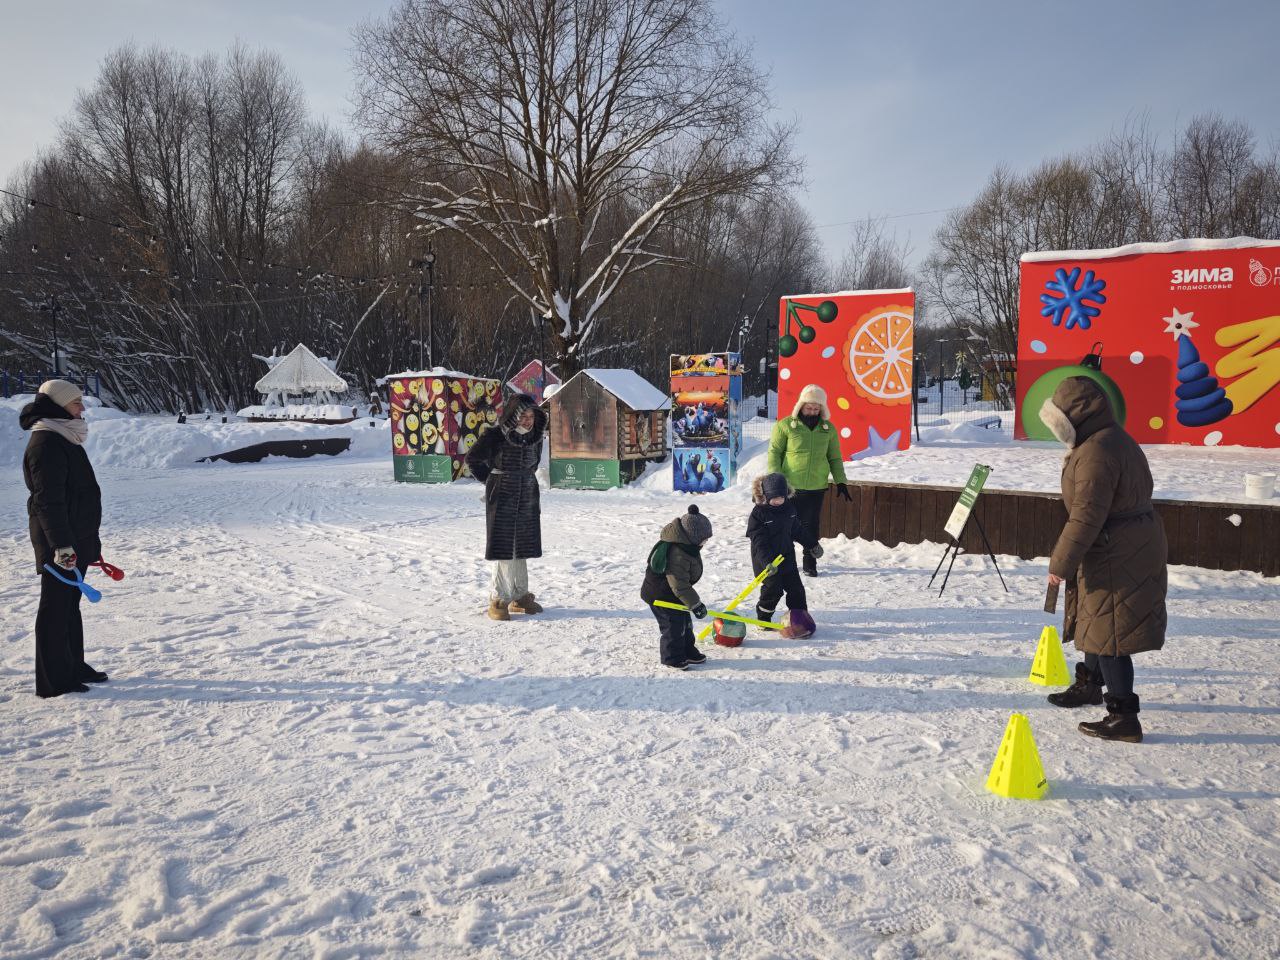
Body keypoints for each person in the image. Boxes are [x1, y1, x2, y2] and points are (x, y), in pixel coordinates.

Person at [1040, 377, 1168, 743]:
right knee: (1096, 620)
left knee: (1111, 634)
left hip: (1117, 549)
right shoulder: (1109, 438)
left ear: (1075, 417)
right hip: (1122, 542)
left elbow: (1086, 515)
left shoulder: (1097, 450)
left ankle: (1123, 717)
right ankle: (1090, 685)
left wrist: (1059, 564)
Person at [21, 379, 107, 698]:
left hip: (75, 538)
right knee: (55, 607)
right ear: (57, 406)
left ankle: (72, 665)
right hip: (60, 543)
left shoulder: (63, 436)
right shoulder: (47, 443)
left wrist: (86, 543)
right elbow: (48, 502)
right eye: (75, 403)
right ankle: (54, 678)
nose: (82, 408)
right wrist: (62, 546)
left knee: (70, 604)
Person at [466, 394, 547, 621]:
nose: (528, 420)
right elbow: (472, 460)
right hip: (502, 495)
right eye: (524, 415)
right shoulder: (495, 436)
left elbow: (534, 464)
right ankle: (499, 598)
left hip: (528, 495)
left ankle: (520, 596)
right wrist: (491, 482)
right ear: (513, 415)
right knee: (505, 548)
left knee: (523, 546)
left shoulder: (536, 437)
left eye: (531, 416)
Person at [767, 384, 851, 576]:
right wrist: (777, 483)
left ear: (822, 408)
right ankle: (784, 562)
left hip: (816, 487)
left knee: (811, 526)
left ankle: (809, 562)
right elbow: (774, 454)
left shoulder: (828, 429)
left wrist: (841, 481)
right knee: (785, 527)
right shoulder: (786, 425)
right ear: (801, 405)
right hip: (790, 487)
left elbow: (834, 457)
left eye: (816, 408)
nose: (812, 412)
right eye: (809, 407)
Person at [640, 504, 713, 670]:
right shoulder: (677, 553)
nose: (706, 542)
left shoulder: (687, 545)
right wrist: (695, 604)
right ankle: (672, 657)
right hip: (661, 596)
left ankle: (687, 650)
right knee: (673, 626)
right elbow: (679, 584)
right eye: (704, 539)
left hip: (673, 593)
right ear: (692, 536)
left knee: (685, 622)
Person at [747, 473, 818, 639]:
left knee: (797, 590)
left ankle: (799, 620)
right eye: (774, 498)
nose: (778, 501)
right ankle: (763, 619)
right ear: (765, 496)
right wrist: (767, 563)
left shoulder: (789, 509)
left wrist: (812, 544)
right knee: (774, 589)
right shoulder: (758, 514)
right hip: (766, 562)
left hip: (787, 557)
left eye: (781, 497)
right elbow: (759, 542)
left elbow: (797, 530)